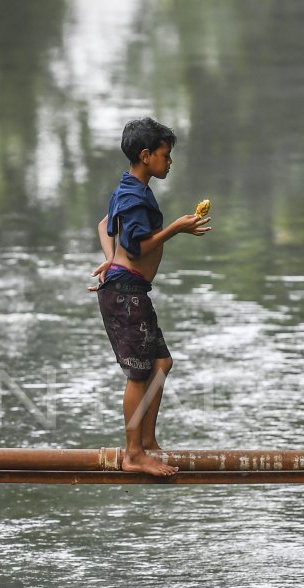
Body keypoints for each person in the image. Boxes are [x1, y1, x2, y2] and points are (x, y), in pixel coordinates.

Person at [90, 117, 211, 476]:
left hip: (131, 289)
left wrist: (111, 260)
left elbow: (103, 225)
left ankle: (147, 442)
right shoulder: (133, 195)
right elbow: (139, 247)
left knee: (161, 364)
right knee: (139, 374)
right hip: (126, 293)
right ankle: (132, 454)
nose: (169, 162)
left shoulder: (130, 190)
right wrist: (176, 227)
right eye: (165, 155)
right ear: (146, 156)